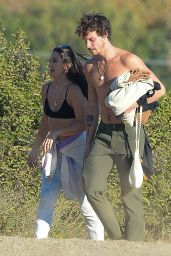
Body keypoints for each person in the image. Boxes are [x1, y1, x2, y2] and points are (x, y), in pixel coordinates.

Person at [75, 12, 166, 241]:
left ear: (105, 35)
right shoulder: (90, 67)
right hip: (104, 133)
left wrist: (133, 105)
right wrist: (88, 142)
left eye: (92, 39)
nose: (88, 44)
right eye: (85, 40)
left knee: (130, 194)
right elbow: (92, 106)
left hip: (129, 132)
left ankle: (133, 247)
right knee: (91, 185)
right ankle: (117, 241)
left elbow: (160, 89)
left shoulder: (128, 60)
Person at [28, 44, 104, 240]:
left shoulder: (74, 91)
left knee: (84, 198)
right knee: (47, 194)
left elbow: (82, 124)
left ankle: (99, 243)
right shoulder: (46, 88)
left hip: (76, 146)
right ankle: (39, 241)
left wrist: (56, 133)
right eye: (50, 60)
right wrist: (35, 149)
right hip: (54, 149)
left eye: (55, 61)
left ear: (66, 66)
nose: (50, 64)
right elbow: (46, 121)